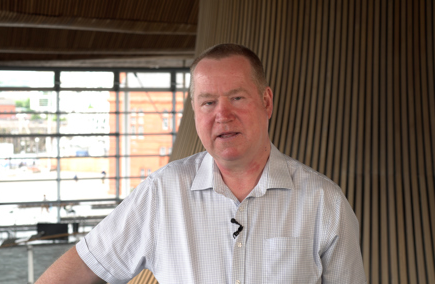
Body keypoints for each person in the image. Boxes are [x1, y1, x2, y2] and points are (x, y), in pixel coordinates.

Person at [36, 44, 366, 284]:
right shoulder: (162, 194)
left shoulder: (324, 203)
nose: (223, 115)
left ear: (266, 102)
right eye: (208, 102)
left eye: (237, 98)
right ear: (196, 112)